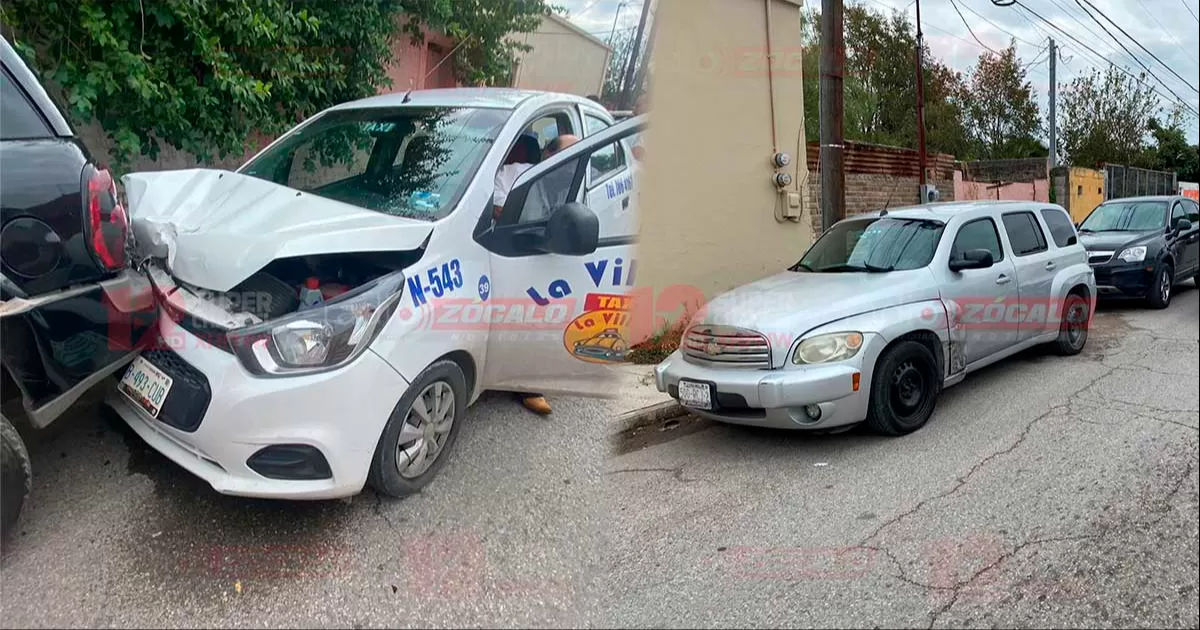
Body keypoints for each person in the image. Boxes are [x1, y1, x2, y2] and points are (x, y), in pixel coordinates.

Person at [492, 132, 555, 416]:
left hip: (551, 249)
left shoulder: (570, 181)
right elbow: (498, 209)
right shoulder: (510, 174)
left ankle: (529, 385)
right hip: (514, 246)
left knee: (538, 314)